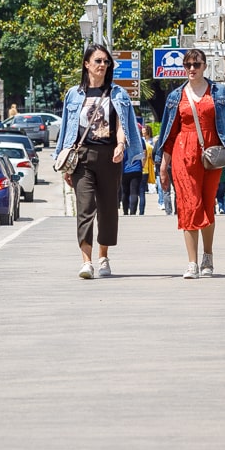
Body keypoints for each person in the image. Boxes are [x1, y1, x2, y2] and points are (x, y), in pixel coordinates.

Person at [52, 43, 143, 279]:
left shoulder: (118, 93)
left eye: (105, 61)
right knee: (84, 209)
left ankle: (103, 257)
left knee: (108, 210)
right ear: (87, 64)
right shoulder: (74, 95)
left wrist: (122, 146)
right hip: (82, 158)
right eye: (98, 61)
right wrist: (64, 160)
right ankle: (86, 262)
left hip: (110, 157)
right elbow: (65, 129)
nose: (102, 65)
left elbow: (122, 125)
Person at [155, 48, 225, 279]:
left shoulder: (219, 92)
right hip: (184, 154)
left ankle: (208, 255)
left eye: (196, 64)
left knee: (207, 204)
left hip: (212, 155)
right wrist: (163, 165)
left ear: (204, 66)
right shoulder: (176, 97)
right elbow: (169, 134)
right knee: (189, 204)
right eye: (188, 64)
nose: (192, 69)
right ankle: (192, 263)